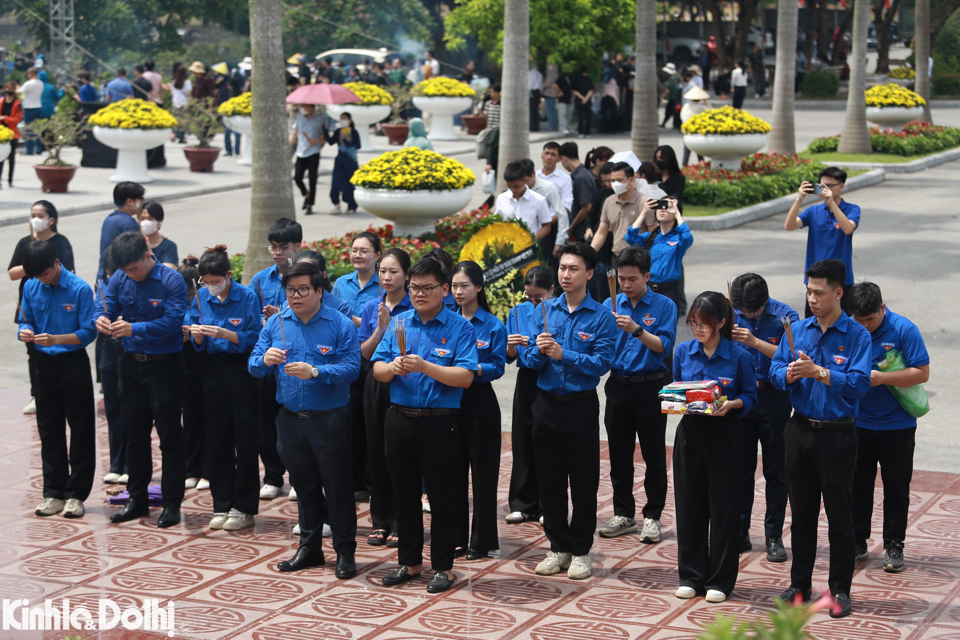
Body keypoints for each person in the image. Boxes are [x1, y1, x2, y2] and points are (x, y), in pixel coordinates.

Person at [769, 259, 872, 619]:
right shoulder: (798, 329)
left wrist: (822, 372)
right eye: (808, 291)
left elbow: (860, 383)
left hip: (838, 434)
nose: (811, 298)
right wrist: (791, 374)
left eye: (819, 292)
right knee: (802, 514)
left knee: (840, 517)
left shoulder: (857, 335)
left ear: (838, 292)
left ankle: (839, 589)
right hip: (799, 431)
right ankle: (800, 585)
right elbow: (775, 369)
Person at [372, 258, 478, 594]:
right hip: (399, 419)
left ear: (444, 290)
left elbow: (464, 377)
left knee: (442, 495)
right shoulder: (401, 322)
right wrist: (393, 367)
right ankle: (410, 560)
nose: (419, 294)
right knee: (403, 493)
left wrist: (425, 366)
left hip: (439, 422)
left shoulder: (460, 328)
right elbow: (377, 369)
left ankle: (444, 566)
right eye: (414, 288)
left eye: (427, 288)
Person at [249, 262, 361, 578]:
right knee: (304, 485)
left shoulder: (340, 324)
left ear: (319, 291)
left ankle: (345, 552)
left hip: (330, 419)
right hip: (290, 419)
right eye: (290, 290)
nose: (295, 296)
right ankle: (309, 547)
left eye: (302, 290)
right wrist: (264, 359)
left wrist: (316, 372)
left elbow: (352, 369)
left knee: (337, 487)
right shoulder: (276, 324)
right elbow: (254, 364)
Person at [524, 242, 617, 580]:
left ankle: (580, 550)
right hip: (545, 404)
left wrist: (566, 355)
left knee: (582, 481)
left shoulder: (602, 316)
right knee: (549, 481)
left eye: (573, 268)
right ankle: (557, 547)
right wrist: (538, 350)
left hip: (580, 406)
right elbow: (529, 362)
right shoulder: (544, 310)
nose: (565, 274)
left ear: (589, 274)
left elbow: (602, 364)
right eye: (562, 268)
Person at [96, 232, 188, 528]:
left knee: (169, 435)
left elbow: (174, 322)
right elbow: (106, 307)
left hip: (165, 366)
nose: (130, 275)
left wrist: (135, 328)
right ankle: (137, 499)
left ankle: (172, 503)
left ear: (148, 256)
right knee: (134, 435)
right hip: (130, 365)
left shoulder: (170, 281)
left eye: (134, 269)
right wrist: (101, 319)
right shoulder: (120, 278)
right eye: (125, 271)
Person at [672, 292, 757, 604]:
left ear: (721, 323)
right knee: (689, 505)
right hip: (690, 435)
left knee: (723, 510)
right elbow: (677, 387)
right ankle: (691, 575)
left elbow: (750, 397)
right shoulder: (683, 352)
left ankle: (720, 579)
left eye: (704, 324)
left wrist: (731, 403)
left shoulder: (739, 356)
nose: (697, 328)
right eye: (694, 322)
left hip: (725, 435)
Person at [848, 282, 930, 573]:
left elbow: (922, 373)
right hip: (859, 423)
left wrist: (882, 378)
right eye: (858, 321)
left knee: (896, 488)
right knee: (858, 485)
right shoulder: (849, 329)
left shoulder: (904, 330)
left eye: (870, 320)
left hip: (898, 425)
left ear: (883, 308)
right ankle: (857, 541)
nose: (864, 327)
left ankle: (895, 543)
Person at [598, 247, 677, 543]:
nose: (626, 284)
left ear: (647, 276)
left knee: (654, 453)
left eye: (633, 279)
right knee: (618, 453)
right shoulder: (610, 303)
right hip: (618, 385)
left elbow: (663, 347)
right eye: (622, 278)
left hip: (652, 386)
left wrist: (636, 330)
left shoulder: (664, 305)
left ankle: (653, 516)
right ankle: (623, 512)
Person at [17, 241, 96, 519]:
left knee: (81, 428)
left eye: (45, 275)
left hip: (72, 363)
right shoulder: (30, 286)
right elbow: (25, 320)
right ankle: (53, 492)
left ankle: (76, 494)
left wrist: (57, 339)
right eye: (37, 276)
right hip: (43, 365)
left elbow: (88, 332)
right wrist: (26, 332)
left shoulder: (80, 288)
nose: (42, 280)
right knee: (48, 428)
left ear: (56, 263)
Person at [190, 246, 262, 531]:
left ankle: (244, 507)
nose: (210, 287)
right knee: (217, 439)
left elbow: (256, 336)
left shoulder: (247, 297)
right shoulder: (201, 297)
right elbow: (192, 326)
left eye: (215, 281)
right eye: (205, 282)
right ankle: (221, 503)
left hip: (241, 370)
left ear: (228, 275)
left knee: (244, 439)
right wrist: (195, 335)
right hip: (213, 370)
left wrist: (225, 333)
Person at [730, 273, 800, 562]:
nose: (747, 315)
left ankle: (773, 535)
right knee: (740, 469)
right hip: (743, 397)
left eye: (753, 312)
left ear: (765, 302)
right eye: (743, 311)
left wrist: (755, 342)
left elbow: (793, 358)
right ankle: (740, 530)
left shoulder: (786, 317)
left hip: (774, 396)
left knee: (776, 470)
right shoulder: (730, 314)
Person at [451, 261, 506, 559]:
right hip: (449, 402)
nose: (459, 292)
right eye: (455, 286)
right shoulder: (447, 320)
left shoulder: (492, 325)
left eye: (465, 286)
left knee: (484, 474)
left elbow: (498, 366)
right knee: (453, 472)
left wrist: (471, 368)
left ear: (479, 287)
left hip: (480, 403)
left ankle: (482, 540)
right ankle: (457, 537)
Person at [360, 248, 412, 548]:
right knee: (376, 451)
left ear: (406, 275)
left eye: (393, 271)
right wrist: (380, 329)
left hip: (404, 380)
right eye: (382, 271)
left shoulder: (413, 307)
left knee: (400, 453)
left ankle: (400, 519)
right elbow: (364, 354)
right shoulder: (372, 307)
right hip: (376, 380)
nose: (387, 277)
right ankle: (380, 520)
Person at [250, 218, 303, 500]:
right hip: (270, 359)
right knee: (265, 420)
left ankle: (298, 477)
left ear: (298, 246)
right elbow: (251, 316)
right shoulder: (260, 280)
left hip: (299, 359)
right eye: (273, 247)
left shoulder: (307, 276)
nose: (278, 252)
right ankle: (272, 476)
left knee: (294, 421)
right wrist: (267, 320)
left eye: (284, 247)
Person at [9, 201, 76, 415]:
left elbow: (67, 270)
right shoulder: (24, 242)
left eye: (40, 215)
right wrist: (35, 265)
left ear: (51, 219)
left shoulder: (60, 242)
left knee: (57, 350)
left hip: (56, 307)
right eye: (33, 214)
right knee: (34, 353)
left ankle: (60, 395)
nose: (35, 219)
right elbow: (12, 273)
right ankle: (36, 394)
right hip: (30, 307)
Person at [505, 266, 554, 524]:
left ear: (551, 292)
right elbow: (509, 356)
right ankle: (523, 502)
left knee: (546, 442)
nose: (533, 303)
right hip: (526, 378)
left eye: (539, 298)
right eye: (528, 297)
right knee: (522, 439)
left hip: (550, 377)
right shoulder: (516, 312)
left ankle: (548, 506)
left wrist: (534, 343)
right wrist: (512, 345)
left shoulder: (556, 311)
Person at [785, 167, 860, 317]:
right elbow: (789, 225)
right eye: (822, 185)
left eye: (830, 186)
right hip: (814, 278)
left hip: (841, 279)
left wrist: (832, 204)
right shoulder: (813, 211)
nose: (825, 189)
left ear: (841, 186)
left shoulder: (852, 209)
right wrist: (799, 199)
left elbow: (847, 229)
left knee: (842, 322)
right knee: (812, 322)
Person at [625, 199, 692, 315]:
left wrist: (677, 214)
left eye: (667, 207)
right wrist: (644, 212)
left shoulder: (678, 239)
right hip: (648, 287)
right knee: (647, 322)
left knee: (667, 325)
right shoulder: (650, 237)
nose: (662, 209)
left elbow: (687, 237)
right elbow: (630, 237)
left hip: (669, 289)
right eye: (660, 206)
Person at [100, 246, 128, 486]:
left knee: (131, 409)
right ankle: (115, 463)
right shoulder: (103, 286)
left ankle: (130, 464)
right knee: (113, 410)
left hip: (132, 352)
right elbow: (98, 312)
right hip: (109, 351)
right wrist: (100, 318)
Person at [591, 161, 657, 263]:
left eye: (619, 180)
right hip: (616, 257)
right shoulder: (609, 201)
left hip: (638, 260)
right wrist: (589, 255)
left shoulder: (644, 202)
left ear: (631, 180)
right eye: (613, 180)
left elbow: (653, 233)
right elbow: (601, 233)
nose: (615, 184)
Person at [178, 257, 206, 492]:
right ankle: (191, 467)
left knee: (211, 419)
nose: (188, 294)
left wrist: (195, 333)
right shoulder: (176, 302)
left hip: (206, 364)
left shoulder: (205, 299)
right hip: (184, 367)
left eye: (191, 289)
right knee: (191, 418)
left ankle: (208, 469)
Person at [332, 231, 382, 326]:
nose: (357, 255)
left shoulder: (385, 285)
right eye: (354, 251)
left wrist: (357, 321)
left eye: (364, 251)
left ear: (377, 255)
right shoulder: (340, 283)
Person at [495, 161, 554, 241]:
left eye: (516, 186)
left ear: (525, 180)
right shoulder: (502, 198)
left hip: (529, 248)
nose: (513, 189)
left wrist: (533, 240)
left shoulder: (539, 200)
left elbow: (546, 226)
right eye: (509, 186)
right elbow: (497, 222)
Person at [537, 142, 573, 258]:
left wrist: (546, 221)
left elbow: (566, 208)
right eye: (546, 153)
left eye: (553, 154)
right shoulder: (534, 176)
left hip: (554, 228)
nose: (549, 157)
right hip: (534, 227)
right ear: (542, 155)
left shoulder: (565, 179)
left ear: (559, 159)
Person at [290, 103, 327, 216]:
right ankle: (306, 194)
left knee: (312, 179)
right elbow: (294, 133)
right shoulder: (300, 118)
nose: (303, 108)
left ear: (310, 107)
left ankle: (310, 204)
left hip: (313, 152)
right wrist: (288, 146)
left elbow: (324, 138)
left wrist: (315, 142)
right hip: (301, 152)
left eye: (305, 106)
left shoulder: (320, 119)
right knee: (297, 178)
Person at [559, 142, 597, 243]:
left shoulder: (581, 177)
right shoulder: (580, 175)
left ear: (564, 158)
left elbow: (586, 207)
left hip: (582, 233)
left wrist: (571, 228)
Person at [325, 111, 361, 215]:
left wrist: (348, 142)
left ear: (350, 120)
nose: (343, 120)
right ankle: (336, 204)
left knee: (350, 184)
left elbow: (358, 145)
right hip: (340, 160)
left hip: (350, 161)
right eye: (341, 118)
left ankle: (352, 206)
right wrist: (325, 131)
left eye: (345, 118)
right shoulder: (338, 131)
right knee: (336, 182)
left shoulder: (353, 132)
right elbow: (331, 142)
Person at [139, 201, 178, 269]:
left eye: (149, 219)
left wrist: (150, 252)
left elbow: (167, 272)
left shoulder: (169, 246)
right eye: (142, 219)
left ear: (159, 222)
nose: (145, 222)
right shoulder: (135, 243)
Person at [0, 82, 21, 186]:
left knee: (11, 158)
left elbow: (17, 119)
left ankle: (10, 180)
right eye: (7, 88)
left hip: (12, 133)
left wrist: (5, 118)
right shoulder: (1, 101)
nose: (8, 90)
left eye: (11, 89)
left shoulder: (17, 104)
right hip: (1, 132)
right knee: (0, 158)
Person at [20, 68, 44, 155]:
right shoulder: (41, 83)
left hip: (29, 107)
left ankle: (29, 150)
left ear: (31, 73)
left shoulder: (29, 83)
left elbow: (20, 92)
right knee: (37, 128)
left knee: (29, 129)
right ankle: (39, 148)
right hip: (38, 106)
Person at [166, 66, 191, 143]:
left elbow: (173, 93)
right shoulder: (187, 82)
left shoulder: (174, 82)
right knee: (183, 121)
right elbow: (189, 93)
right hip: (183, 103)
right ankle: (181, 137)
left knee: (176, 121)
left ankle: (174, 135)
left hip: (175, 103)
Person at [572, 65, 594, 138]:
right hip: (587, 101)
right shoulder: (589, 79)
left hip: (579, 101)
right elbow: (591, 90)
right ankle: (588, 133)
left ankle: (581, 132)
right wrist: (586, 98)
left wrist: (582, 98)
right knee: (588, 117)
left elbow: (575, 91)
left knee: (580, 118)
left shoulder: (577, 79)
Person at [660, 63, 681, 130]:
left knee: (671, 111)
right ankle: (664, 123)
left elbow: (669, 89)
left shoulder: (672, 78)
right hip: (672, 98)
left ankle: (675, 125)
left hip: (673, 98)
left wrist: (663, 95)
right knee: (669, 111)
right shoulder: (672, 78)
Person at [542, 63, 559, 131]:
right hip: (554, 94)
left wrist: (543, 85)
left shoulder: (551, 74)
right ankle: (553, 125)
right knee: (553, 110)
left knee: (550, 110)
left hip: (549, 94)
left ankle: (551, 126)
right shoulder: (556, 74)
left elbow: (547, 84)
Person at [529, 57, 543, 132]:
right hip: (537, 92)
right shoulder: (539, 74)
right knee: (536, 110)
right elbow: (541, 86)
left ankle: (532, 126)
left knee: (531, 110)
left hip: (531, 92)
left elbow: (529, 84)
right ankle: (536, 126)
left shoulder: (530, 74)